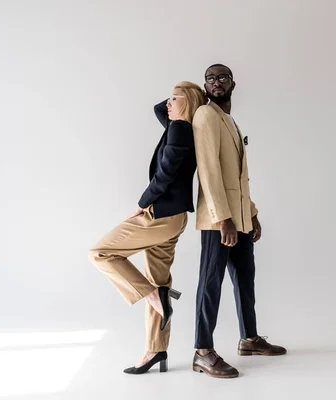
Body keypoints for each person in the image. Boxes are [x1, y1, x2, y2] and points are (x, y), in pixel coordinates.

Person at [89, 81, 205, 374]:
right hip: (174, 218)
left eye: (174, 98)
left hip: (160, 216)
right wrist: (178, 95)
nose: (167, 102)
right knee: (159, 279)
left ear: (188, 103)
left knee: (101, 253)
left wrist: (142, 203)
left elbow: (165, 174)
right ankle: (156, 350)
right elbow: (159, 109)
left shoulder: (180, 129)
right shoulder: (178, 126)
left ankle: (154, 296)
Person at [191, 64, 286, 379]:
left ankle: (249, 339)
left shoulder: (229, 120)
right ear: (204, 85)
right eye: (210, 78)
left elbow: (237, 178)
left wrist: (253, 213)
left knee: (246, 280)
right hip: (220, 221)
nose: (216, 82)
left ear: (233, 83)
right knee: (211, 283)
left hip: (240, 217)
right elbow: (209, 171)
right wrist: (224, 220)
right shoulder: (205, 116)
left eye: (222, 77)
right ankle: (203, 352)